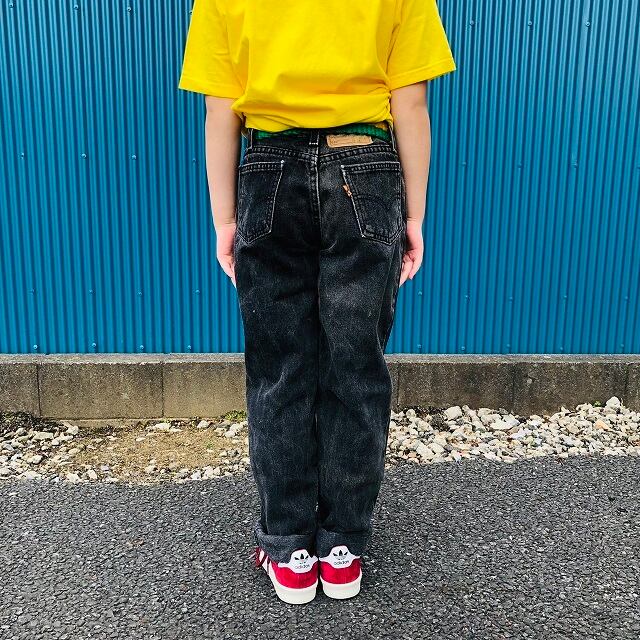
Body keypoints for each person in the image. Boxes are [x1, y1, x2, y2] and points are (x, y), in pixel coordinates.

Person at [178, 0, 456, 605]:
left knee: (280, 367)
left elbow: (220, 110)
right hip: (367, 167)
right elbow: (410, 103)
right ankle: (344, 545)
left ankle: (288, 547)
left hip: (268, 170)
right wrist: (413, 215)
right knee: (355, 367)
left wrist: (225, 221)